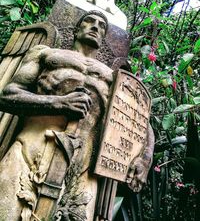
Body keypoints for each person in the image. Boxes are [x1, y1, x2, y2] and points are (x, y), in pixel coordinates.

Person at [0, 11, 154, 221]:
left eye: (101, 26)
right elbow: (9, 95)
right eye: (89, 21)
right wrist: (58, 103)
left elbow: (139, 122)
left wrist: (144, 158)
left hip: (82, 171)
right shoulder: (46, 54)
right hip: (30, 149)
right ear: (75, 29)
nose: (95, 27)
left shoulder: (113, 79)